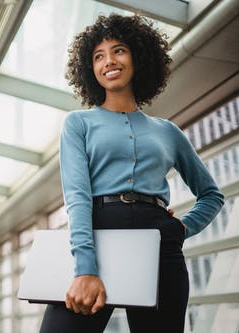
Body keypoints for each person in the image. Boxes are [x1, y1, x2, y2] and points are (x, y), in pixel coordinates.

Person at [39, 13, 224, 333]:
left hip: (159, 246)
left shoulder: (167, 131)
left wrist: (181, 228)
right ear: (90, 68)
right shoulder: (77, 124)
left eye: (119, 50)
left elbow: (211, 194)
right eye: (98, 56)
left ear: (139, 56)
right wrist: (85, 269)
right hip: (97, 236)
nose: (108, 61)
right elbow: (77, 197)